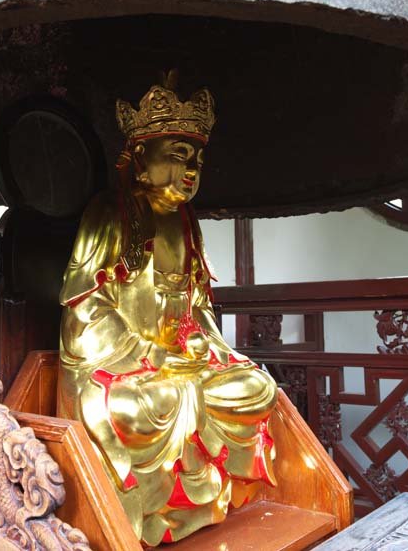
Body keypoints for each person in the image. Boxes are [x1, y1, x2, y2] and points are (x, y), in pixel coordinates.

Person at [57, 75, 277, 545]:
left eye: (197, 159)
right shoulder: (110, 214)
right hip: (122, 369)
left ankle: (200, 505)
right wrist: (150, 356)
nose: (192, 169)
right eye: (178, 154)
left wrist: (201, 343)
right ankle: (134, 517)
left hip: (180, 366)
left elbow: (197, 306)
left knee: (258, 387)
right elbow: (84, 310)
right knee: (140, 409)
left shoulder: (187, 222)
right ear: (139, 156)